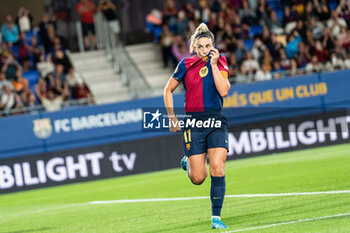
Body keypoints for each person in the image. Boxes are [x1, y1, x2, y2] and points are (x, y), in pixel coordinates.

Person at [164, 23, 230, 229]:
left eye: (208, 46)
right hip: (193, 123)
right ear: (194, 46)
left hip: (216, 121)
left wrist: (213, 64)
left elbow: (224, 90)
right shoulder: (185, 64)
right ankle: (188, 163)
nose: (204, 50)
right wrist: (171, 116)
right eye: (200, 46)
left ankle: (216, 218)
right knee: (198, 178)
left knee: (218, 168)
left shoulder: (220, 62)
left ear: (213, 46)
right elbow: (168, 90)